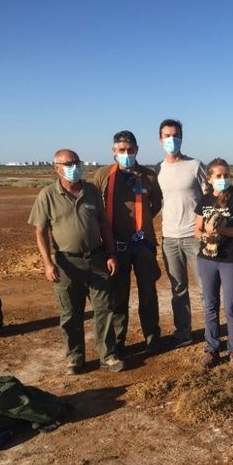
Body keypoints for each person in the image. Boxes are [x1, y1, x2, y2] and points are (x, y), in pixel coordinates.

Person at [28, 149, 124, 374]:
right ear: (57, 168)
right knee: (70, 313)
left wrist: (111, 254)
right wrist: (47, 263)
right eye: (68, 163)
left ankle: (108, 355)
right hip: (67, 263)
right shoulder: (48, 195)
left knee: (104, 309)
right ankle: (75, 357)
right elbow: (40, 231)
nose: (74, 167)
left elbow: (104, 226)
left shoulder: (91, 191)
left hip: (97, 259)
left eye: (77, 162)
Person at [93, 130, 163, 354]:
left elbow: (156, 204)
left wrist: (142, 225)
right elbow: (97, 207)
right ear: (114, 151)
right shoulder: (103, 175)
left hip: (143, 245)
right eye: (121, 150)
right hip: (116, 247)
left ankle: (152, 337)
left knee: (148, 293)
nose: (126, 154)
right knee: (118, 296)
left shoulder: (148, 175)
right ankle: (119, 341)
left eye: (130, 150)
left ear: (137, 150)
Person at [194, 158, 233, 367]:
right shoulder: (204, 200)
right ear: (209, 179)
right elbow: (196, 229)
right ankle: (212, 349)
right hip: (206, 259)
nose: (223, 179)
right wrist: (204, 236)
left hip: (230, 259)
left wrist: (219, 231)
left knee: (231, 306)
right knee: (210, 305)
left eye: (226, 175)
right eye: (218, 176)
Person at [156, 118, 207, 347]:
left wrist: (204, 227)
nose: (171, 139)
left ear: (181, 137)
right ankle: (183, 333)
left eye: (175, 135)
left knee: (206, 286)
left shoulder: (195, 165)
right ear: (160, 139)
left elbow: (209, 198)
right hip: (169, 238)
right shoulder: (158, 169)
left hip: (194, 236)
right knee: (178, 288)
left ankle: (212, 332)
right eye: (167, 135)